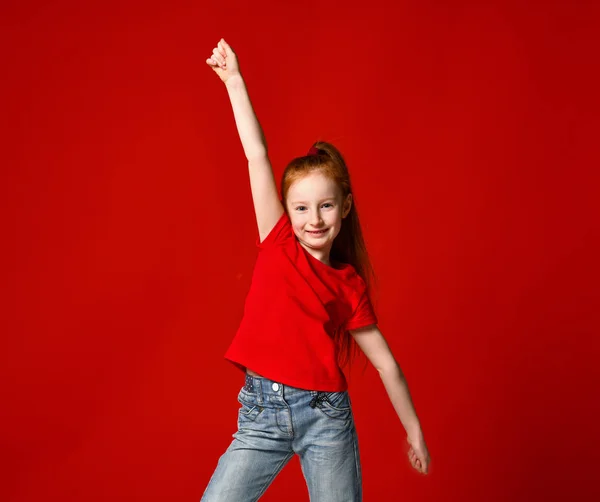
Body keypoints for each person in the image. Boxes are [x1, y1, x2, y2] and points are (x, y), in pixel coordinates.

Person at [201, 38, 431, 502]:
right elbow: (256, 154)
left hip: (326, 417)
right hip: (263, 413)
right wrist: (235, 83)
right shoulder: (278, 241)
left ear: (344, 207)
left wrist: (415, 431)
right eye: (301, 207)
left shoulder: (348, 285)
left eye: (326, 205)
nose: (315, 219)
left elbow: (386, 364)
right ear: (286, 211)